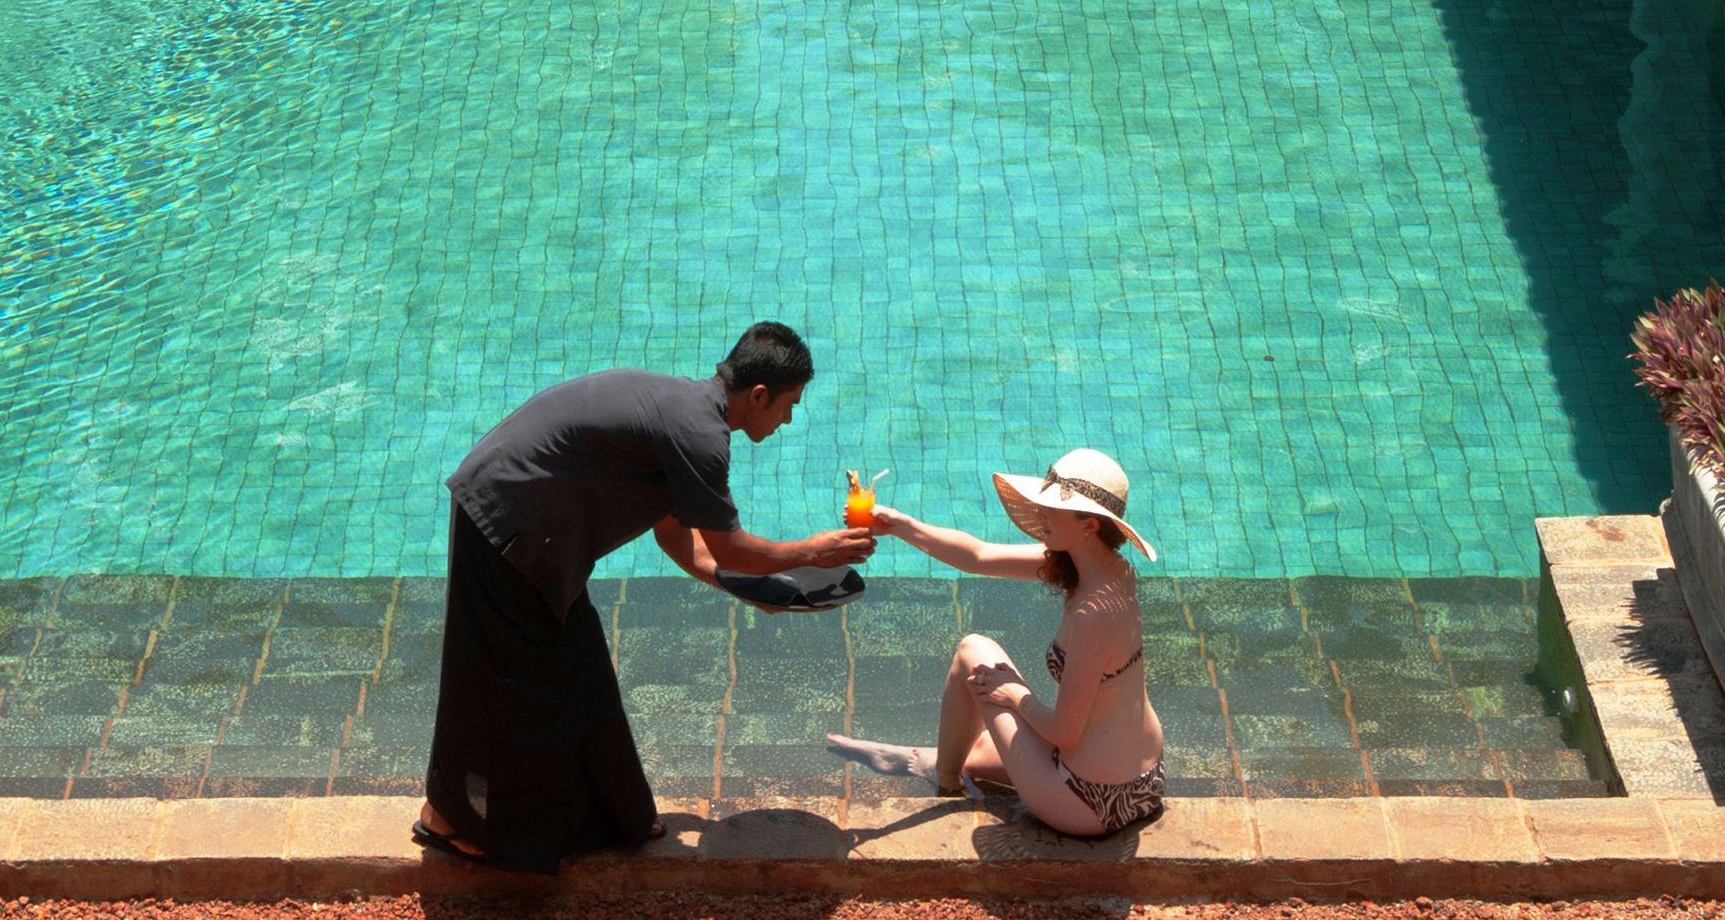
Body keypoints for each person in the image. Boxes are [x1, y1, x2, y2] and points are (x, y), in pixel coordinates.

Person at [420, 323, 873, 872]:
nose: (789, 420)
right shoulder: (701, 435)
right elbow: (729, 548)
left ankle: (621, 818)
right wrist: (813, 552)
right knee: (506, 684)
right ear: (759, 396)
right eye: (789, 405)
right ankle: (447, 817)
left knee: (582, 671)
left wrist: (747, 589)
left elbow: (677, 537)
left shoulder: (688, 414)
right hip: (503, 523)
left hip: (538, 532)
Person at [823, 448, 1169, 838]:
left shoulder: (1094, 613)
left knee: (973, 653)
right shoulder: (1114, 571)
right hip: (1146, 781)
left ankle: (945, 779)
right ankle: (928, 761)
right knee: (979, 749)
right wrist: (901, 525)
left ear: (1089, 525)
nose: (1040, 513)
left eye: (1051, 508)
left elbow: (1065, 732)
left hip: (1090, 801)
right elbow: (979, 556)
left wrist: (1016, 694)